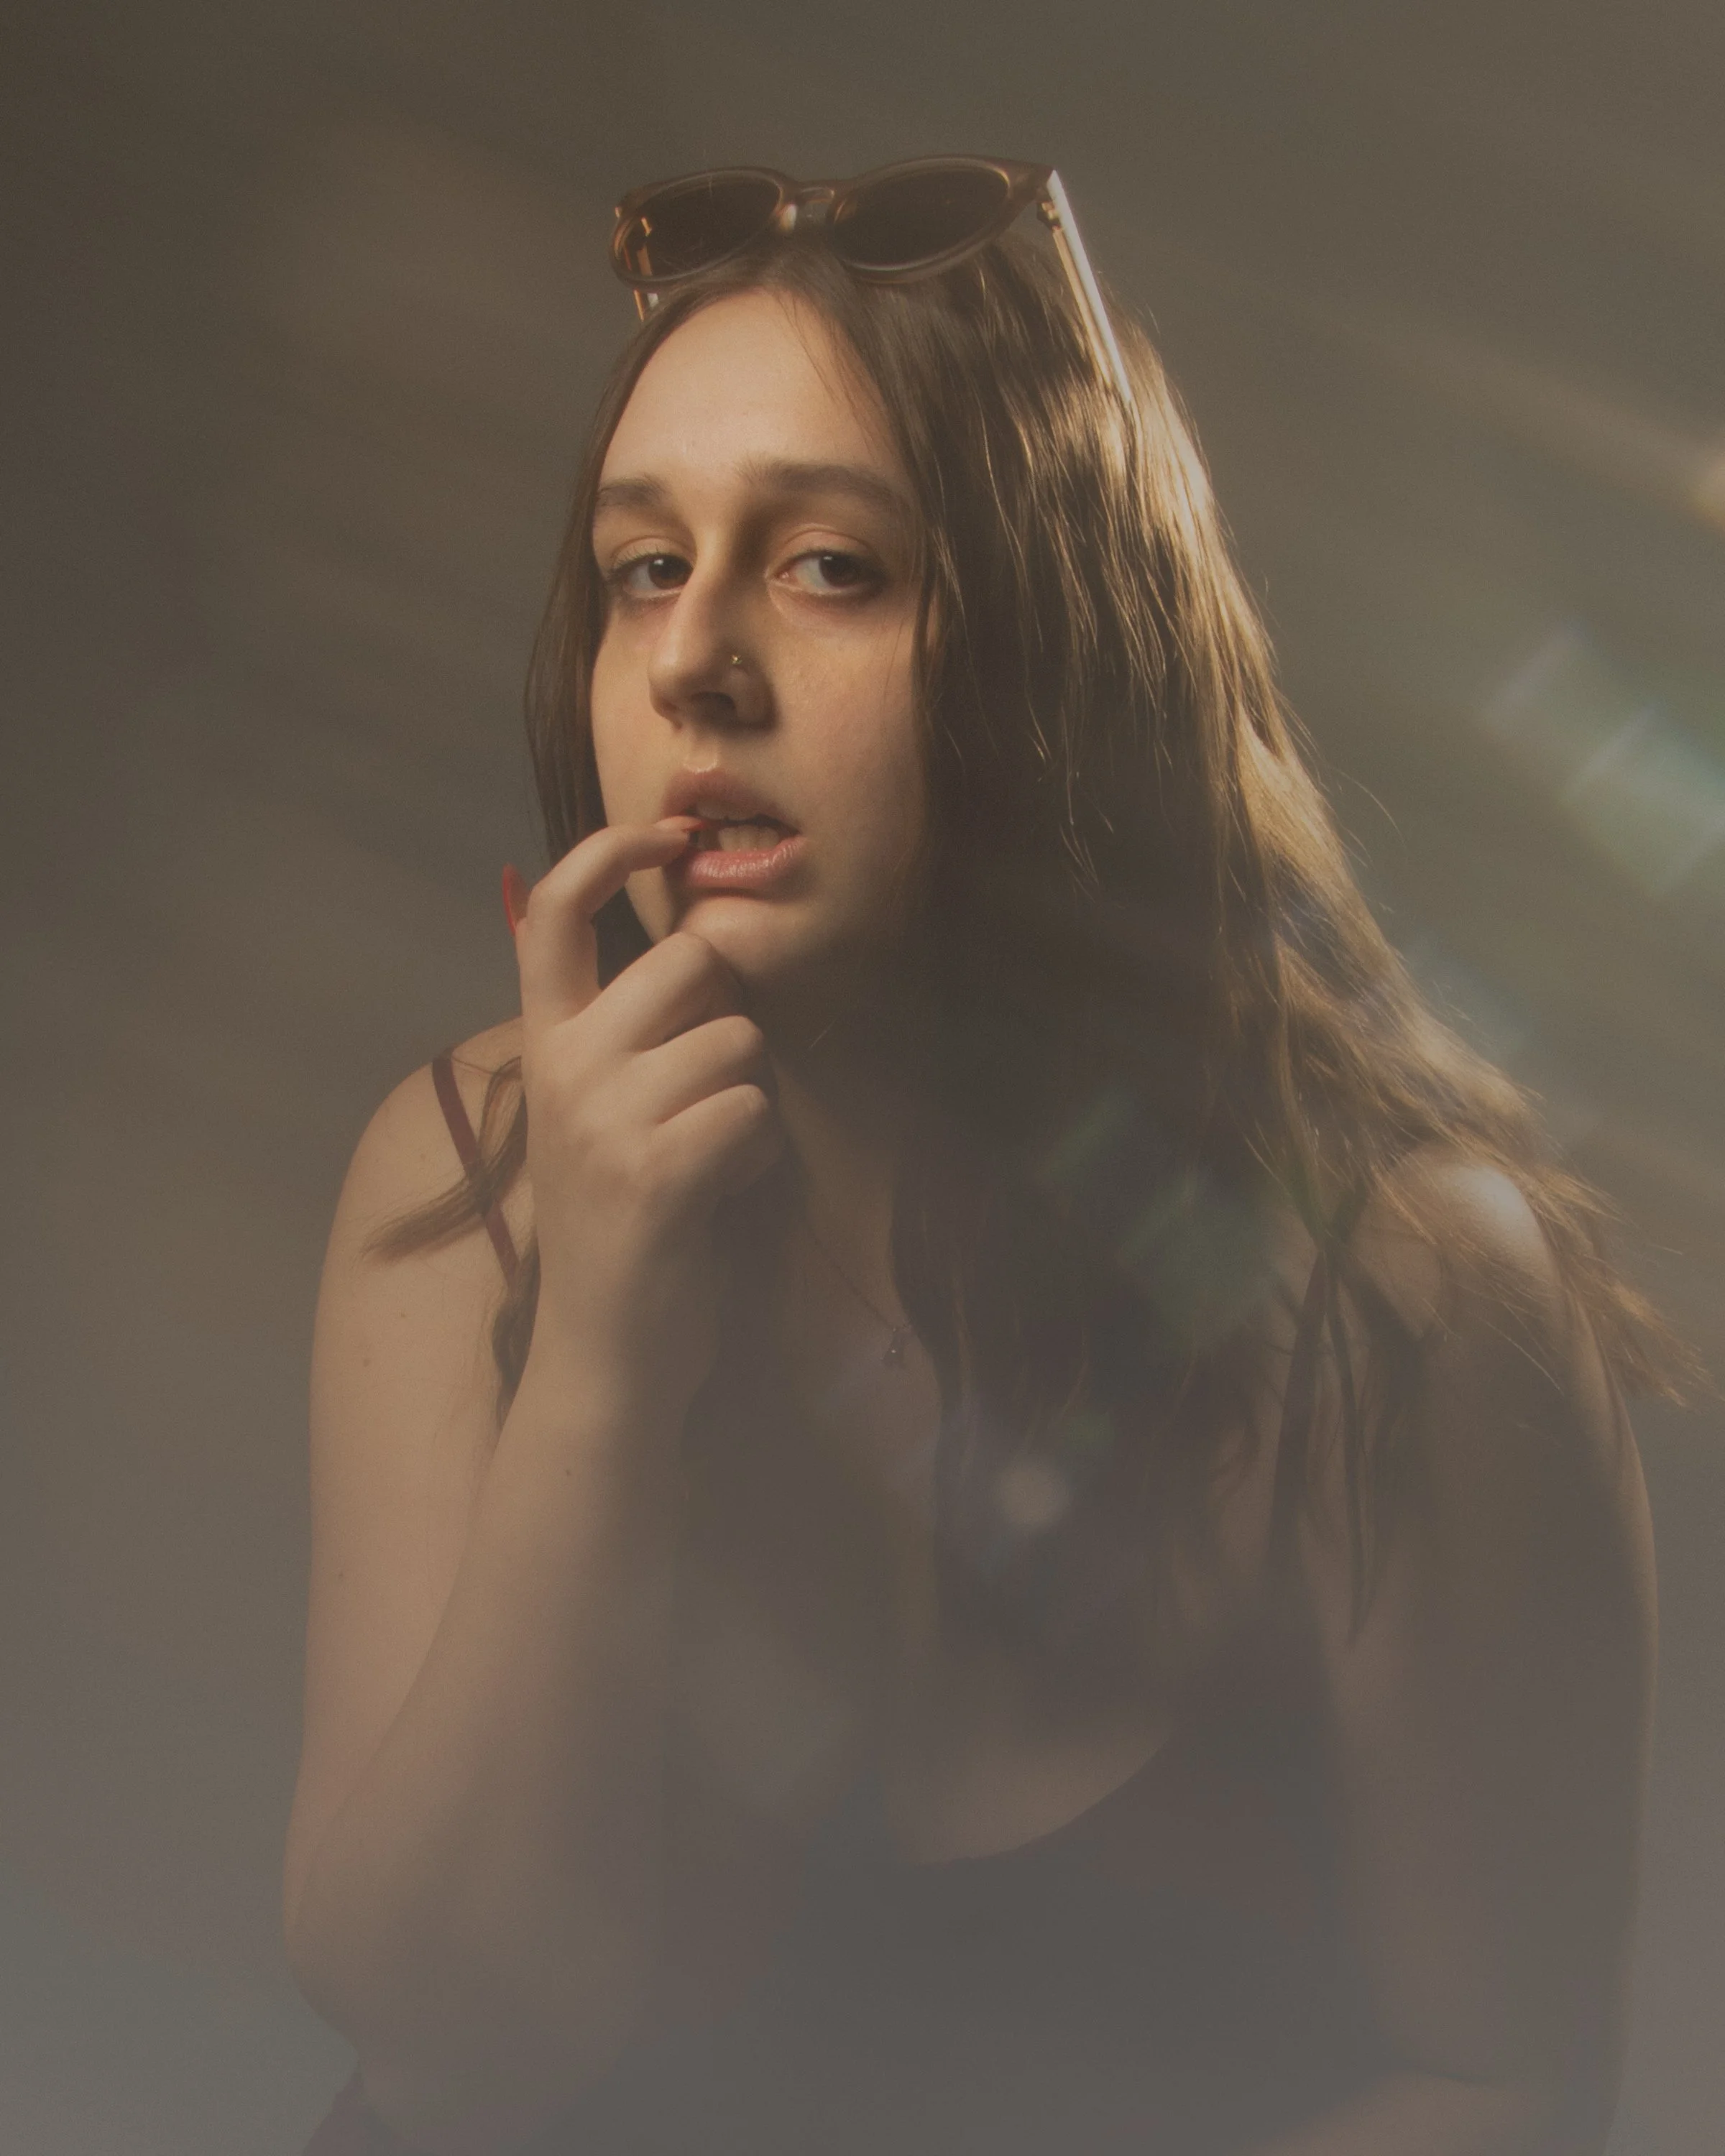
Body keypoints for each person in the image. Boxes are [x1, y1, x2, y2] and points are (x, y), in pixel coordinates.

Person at [285, 160, 1676, 2156]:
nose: (693, 664)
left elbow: (1509, 2090)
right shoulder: (471, 1188)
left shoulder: (1420, 1298)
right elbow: (444, 2033)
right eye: (645, 568)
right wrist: (599, 1351)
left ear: (1064, 643)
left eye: (829, 564)